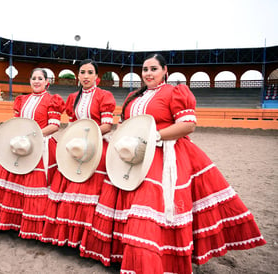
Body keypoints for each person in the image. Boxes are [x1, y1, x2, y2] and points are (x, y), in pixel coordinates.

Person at [112, 53, 266, 273]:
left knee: (148, 205)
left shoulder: (175, 92)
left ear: (165, 70)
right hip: (134, 156)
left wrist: (154, 137)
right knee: (131, 201)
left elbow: (187, 126)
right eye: (145, 69)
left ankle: (152, 263)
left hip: (166, 154)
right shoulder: (132, 97)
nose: (148, 73)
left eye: (153, 68)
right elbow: (124, 125)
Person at [41, 59, 118, 266]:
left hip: (96, 147)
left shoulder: (105, 96)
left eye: (89, 72)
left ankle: (87, 240)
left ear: (97, 77)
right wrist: (75, 139)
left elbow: (107, 125)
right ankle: (69, 238)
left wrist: (87, 137)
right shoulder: (73, 97)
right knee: (70, 188)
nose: (85, 75)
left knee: (89, 192)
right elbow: (72, 123)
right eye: (82, 72)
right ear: (78, 76)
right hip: (76, 148)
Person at [0, 68, 65, 240]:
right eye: (33, 78)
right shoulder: (22, 100)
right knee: (12, 181)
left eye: (40, 78)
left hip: (41, 145)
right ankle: (10, 221)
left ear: (47, 82)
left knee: (33, 185)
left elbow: (54, 125)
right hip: (19, 145)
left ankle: (31, 225)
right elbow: (15, 123)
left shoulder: (52, 100)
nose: (36, 81)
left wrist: (33, 136)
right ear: (30, 81)